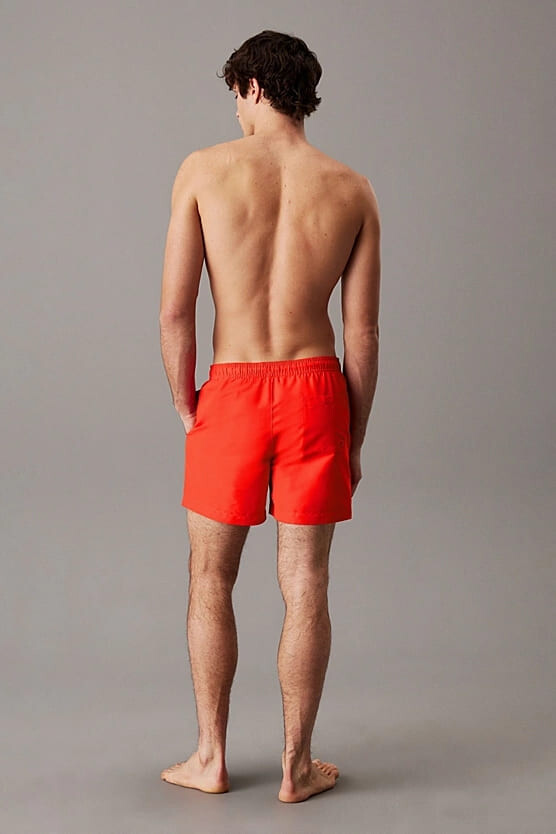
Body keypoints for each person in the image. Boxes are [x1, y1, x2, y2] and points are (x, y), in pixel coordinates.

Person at [158, 29, 380, 803]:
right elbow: (361, 335)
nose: (236, 109)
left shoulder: (204, 169)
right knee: (306, 581)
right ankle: (296, 765)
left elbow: (176, 312)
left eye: (236, 94)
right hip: (317, 392)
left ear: (252, 86)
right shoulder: (352, 188)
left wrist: (186, 402)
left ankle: (210, 758)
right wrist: (353, 437)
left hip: (234, 388)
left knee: (209, 577)